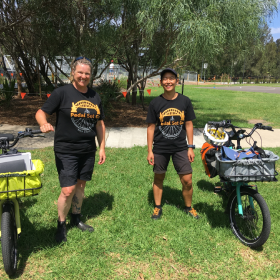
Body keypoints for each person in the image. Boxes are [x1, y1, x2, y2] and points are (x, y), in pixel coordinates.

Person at [35, 56, 106, 243]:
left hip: (87, 149)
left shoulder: (94, 96)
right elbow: (41, 112)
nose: (83, 76)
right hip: (66, 149)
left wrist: (102, 147)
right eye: (80, 72)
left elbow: (99, 124)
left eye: (87, 73)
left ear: (91, 76)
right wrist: (43, 123)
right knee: (68, 189)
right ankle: (61, 224)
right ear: (73, 73)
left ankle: (76, 218)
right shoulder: (62, 93)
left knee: (81, 185)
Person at [146, 68, 200, 220]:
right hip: (160, 148)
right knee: (158, 178)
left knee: (187, 180)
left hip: (180, 147)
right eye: (165, 78)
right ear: (161, 82)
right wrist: (150, 151)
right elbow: (150, 128)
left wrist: (190, 147)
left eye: (171, 78)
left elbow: (188, 124)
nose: (168, 81)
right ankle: (157, 207)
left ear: (177, 81)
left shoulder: (185, 101)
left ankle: (188, 208)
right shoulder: (155, 103)